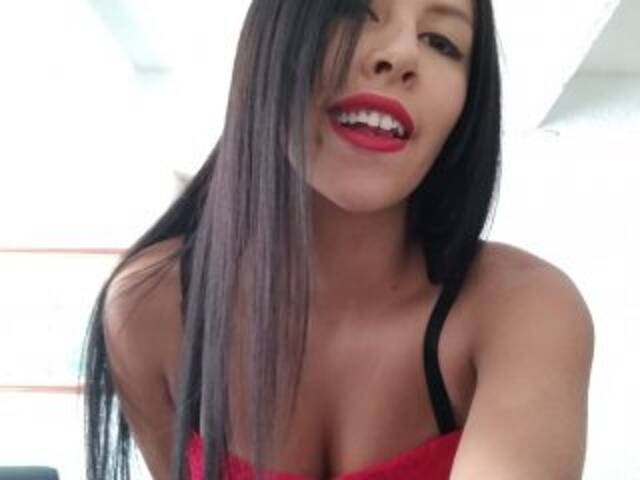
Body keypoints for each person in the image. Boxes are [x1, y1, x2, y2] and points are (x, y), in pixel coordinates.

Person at [82, 0, 595, 479]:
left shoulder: (523, 312)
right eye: (354, 10)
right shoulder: (151, 307)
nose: (401, 55)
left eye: (441, 42)